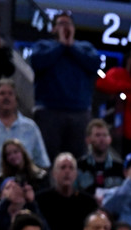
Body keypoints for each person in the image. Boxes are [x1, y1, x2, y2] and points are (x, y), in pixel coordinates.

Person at [26, 13, 98, 159]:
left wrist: (71, 46)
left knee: (77, 159)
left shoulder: (85, 47)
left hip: (79, 112)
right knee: (46, 158)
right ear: (53, 29)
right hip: (49, 111)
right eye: (61, 23)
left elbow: (94, 64)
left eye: (68, 24)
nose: (65, 26)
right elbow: (38, 62)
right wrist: (61, 46)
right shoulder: (43, 46)